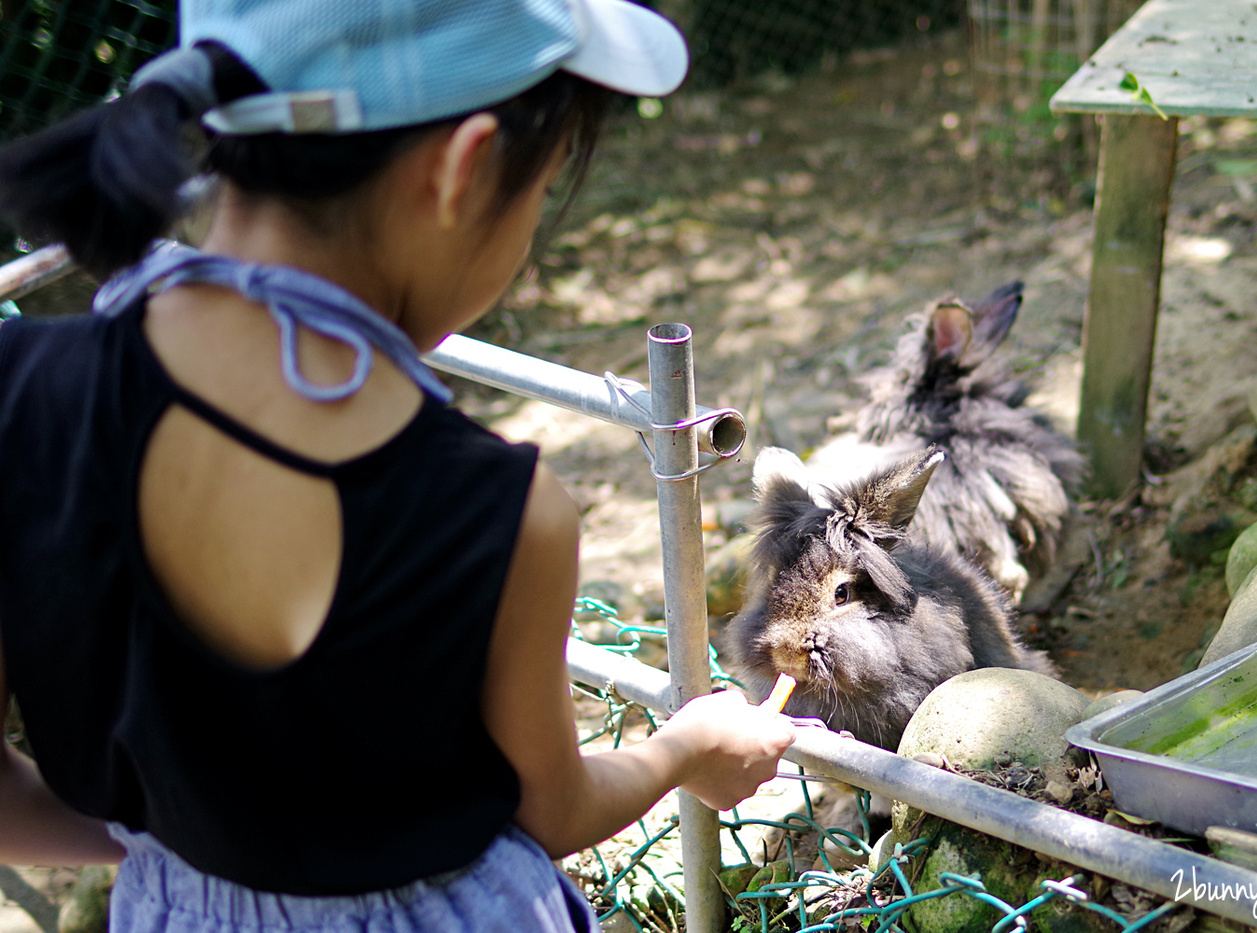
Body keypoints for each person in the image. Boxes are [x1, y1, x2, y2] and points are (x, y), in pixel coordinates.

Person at [0, 1, 796, 930]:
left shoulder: (20, 397)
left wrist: (193, 856)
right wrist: (686, 747)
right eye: (539, 194)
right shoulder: (501, 513)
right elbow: (555, 810)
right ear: (458, 171)